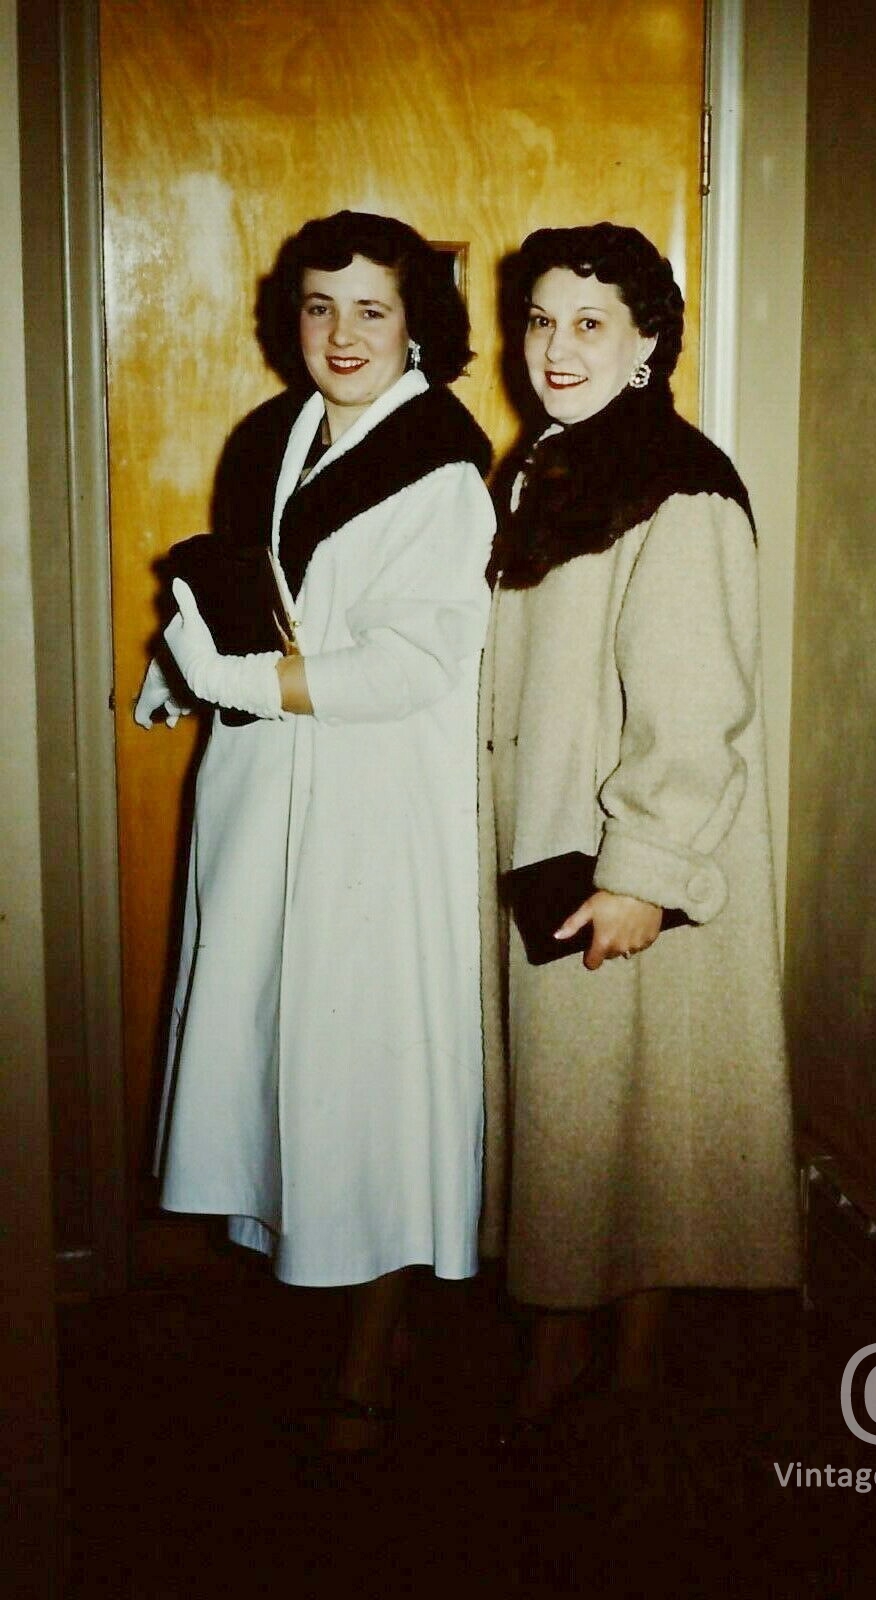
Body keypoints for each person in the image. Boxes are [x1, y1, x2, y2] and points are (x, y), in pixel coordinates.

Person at [135, 211, 494, 1451]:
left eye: (371, 309)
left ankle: (372, 1348)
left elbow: (411, 666)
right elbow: (253, 593)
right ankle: (301, 1304)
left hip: (370, 808)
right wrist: (185, 668)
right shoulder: (275, 433)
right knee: (269, 1055)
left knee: (366, 1075)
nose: (340, 334)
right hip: (264, 791)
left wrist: (236, 680)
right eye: (318, 306)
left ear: (417, 325)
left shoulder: (443, 464)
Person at [479, 223, 799, 1428]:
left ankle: (608, 1388)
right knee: (595, 1131)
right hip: (558, 840)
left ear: (649, 341)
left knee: (625, 1128)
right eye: (541, 321)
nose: (557, 350)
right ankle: (586, 1373)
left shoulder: (679, 483)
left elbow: (695, 708)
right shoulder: (551, 461)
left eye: (590, 324)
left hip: (620, 862)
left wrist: (643, 875)